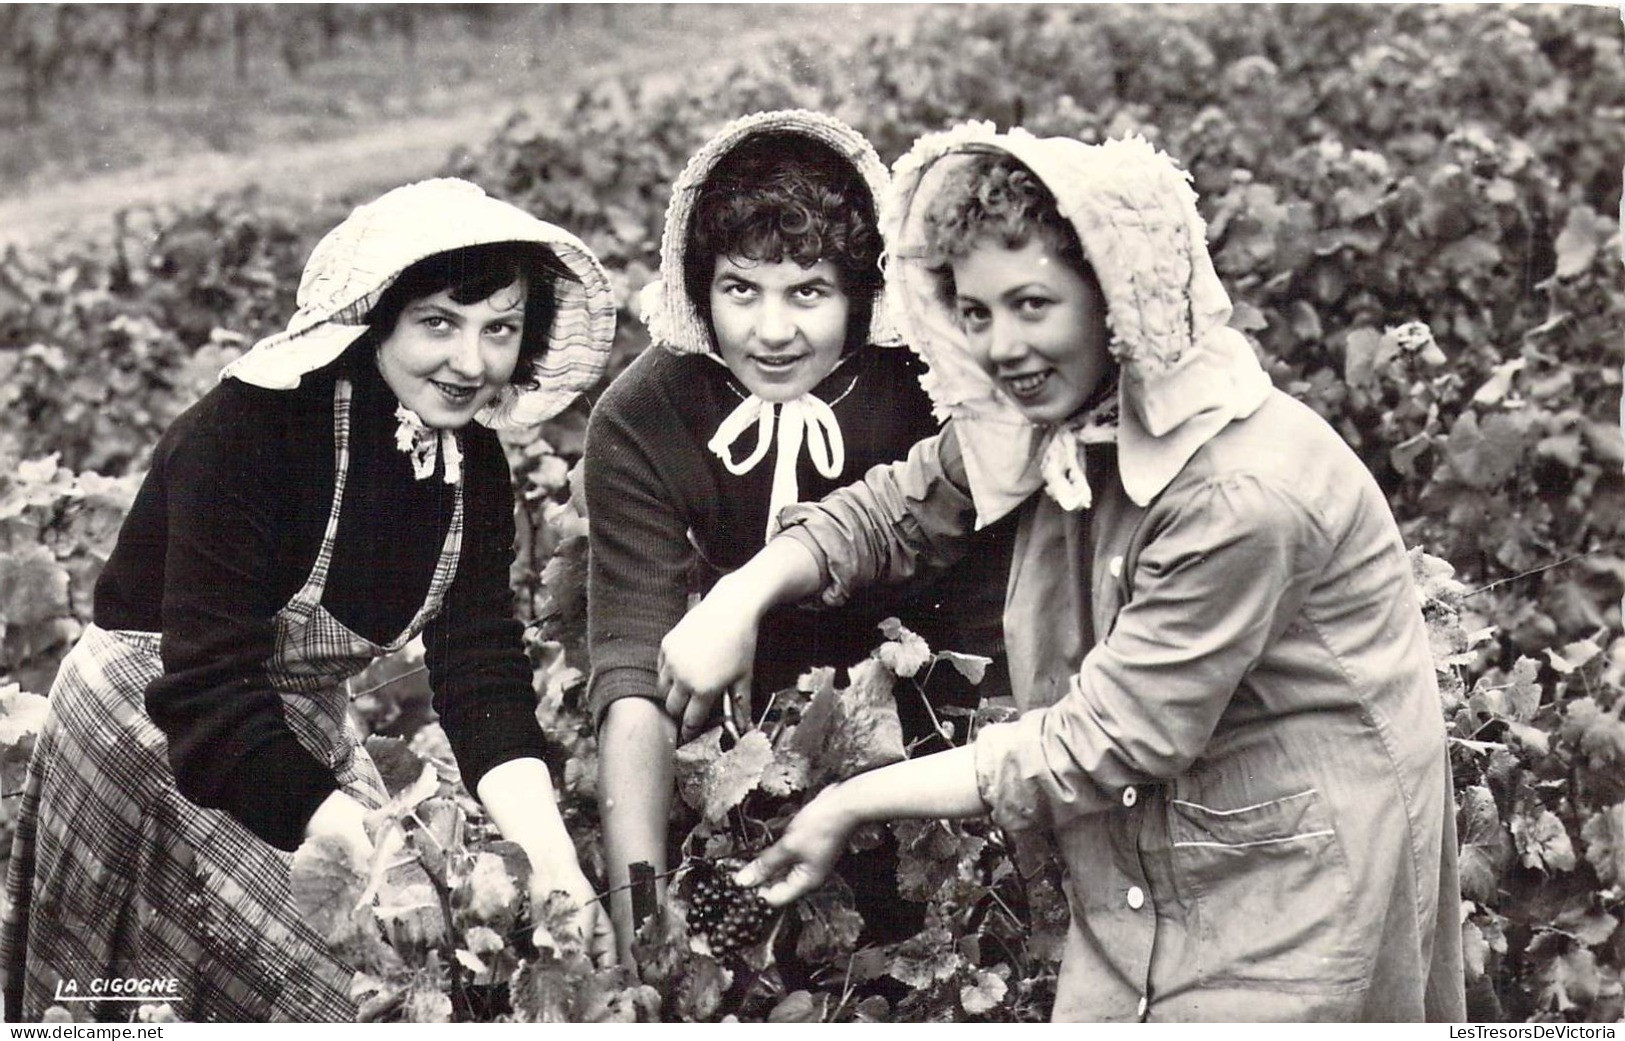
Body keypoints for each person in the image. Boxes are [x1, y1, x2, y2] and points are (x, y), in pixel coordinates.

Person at [657, 126, 1468, 1021]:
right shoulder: (1054, 411)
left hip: (1294, 865)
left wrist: (853, 799)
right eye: (975, 311)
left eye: (1032, 304)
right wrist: (742, 591)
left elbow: (1106, 740)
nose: (1002, 345)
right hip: (1151, 854)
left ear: (1115, 302)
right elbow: (903, 504)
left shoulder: (1240, 490)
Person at [0, 178, 619, 1023]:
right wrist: (364, 845)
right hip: (159, 720)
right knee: (335, 992)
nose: (471, 362)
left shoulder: (471, 465)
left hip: (291, 726)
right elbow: (206, 686)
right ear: (377, 321)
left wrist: (552, 859)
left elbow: (480, 667)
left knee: (409, 963)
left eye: (499, 329)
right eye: (439, 322)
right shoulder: (257, 425)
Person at [585, 110, 1012, 961]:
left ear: (862, 294)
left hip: (942, 731)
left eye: (807, 292)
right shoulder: (644, 414)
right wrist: (642, 922)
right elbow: (632, 668)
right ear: (698, 290)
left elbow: (987, 640)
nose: (771, 332)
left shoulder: (931, 388)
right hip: (754, 754)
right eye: (741, 290)